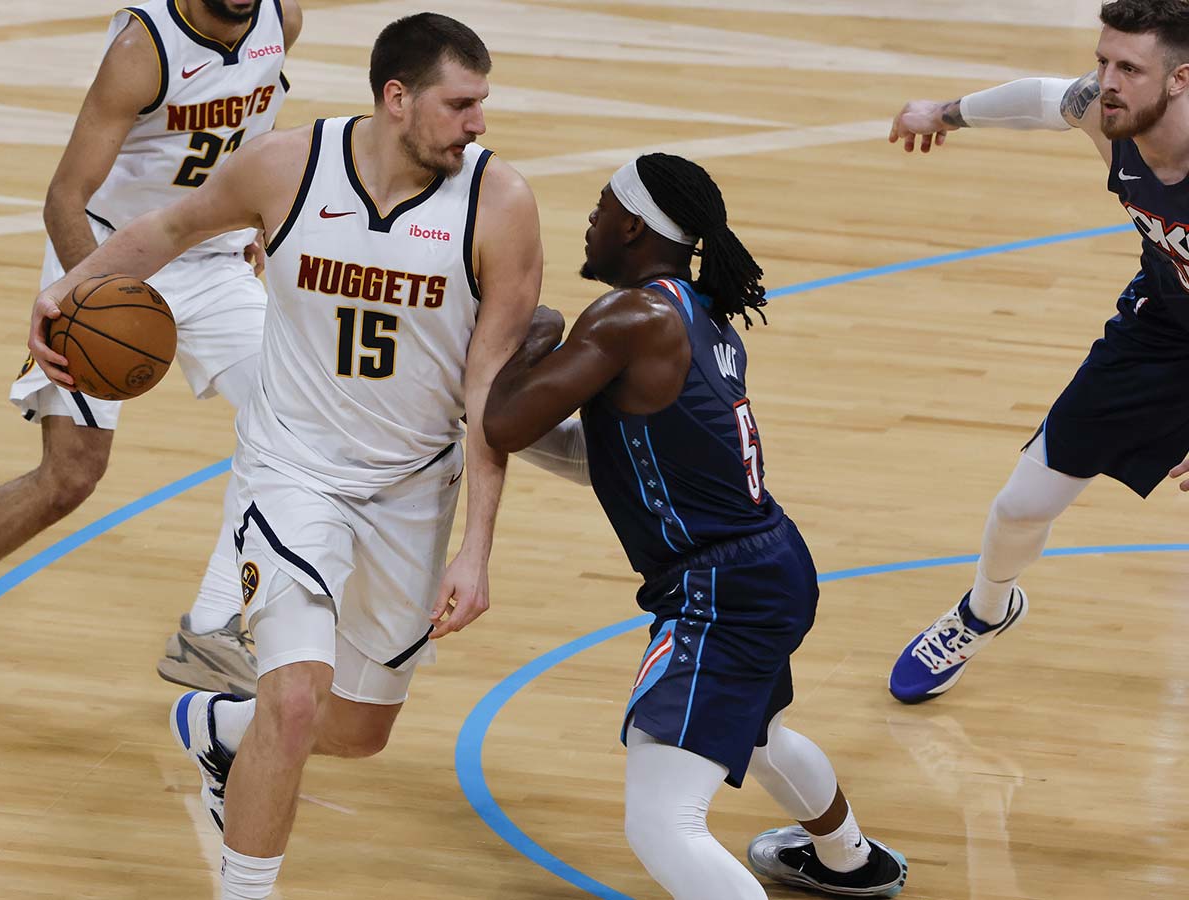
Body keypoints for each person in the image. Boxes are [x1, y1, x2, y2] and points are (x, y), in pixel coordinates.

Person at [26, 13, 538, 899]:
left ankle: (220, 732)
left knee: (356, 732)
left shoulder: (503, 205)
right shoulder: (289, 168)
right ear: (397, 99)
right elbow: (169, 229)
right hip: (292, 471)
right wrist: (68, 290)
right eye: (462, 104)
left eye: (481, 104)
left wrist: (477, 548)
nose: (478, 122)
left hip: (414, 488)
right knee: (294, 701)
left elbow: (489, 395)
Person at [483, 153, 907, 899]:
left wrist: (523, 347)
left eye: (602, 205)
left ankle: (848, 859)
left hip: (718, 591)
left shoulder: (629, 317)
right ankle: (850, 860)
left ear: (636, 226)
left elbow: (504, 419)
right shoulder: (696, 317)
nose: (591, 219)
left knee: (660, 823)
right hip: (766, 565)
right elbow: (603, 459)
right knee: (761, 737)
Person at [0, 0, 301, 699]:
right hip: (107, 258)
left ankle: (211, 630)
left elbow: (254, 131)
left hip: (210, 259)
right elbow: (65, 194)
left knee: (293, 424)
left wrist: (257, 217)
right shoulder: (143, 49)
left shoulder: (283, 19)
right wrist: (89, 294)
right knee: (71, 475)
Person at [885, 0, 1189, 704]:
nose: (1107, 81)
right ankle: (985, 611)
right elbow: (1039, 98)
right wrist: (942, 111)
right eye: (1103, 60)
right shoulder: (1104, 115)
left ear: (1180, 80)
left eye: (1130, 69)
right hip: (1162, 328)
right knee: (1023, 505)